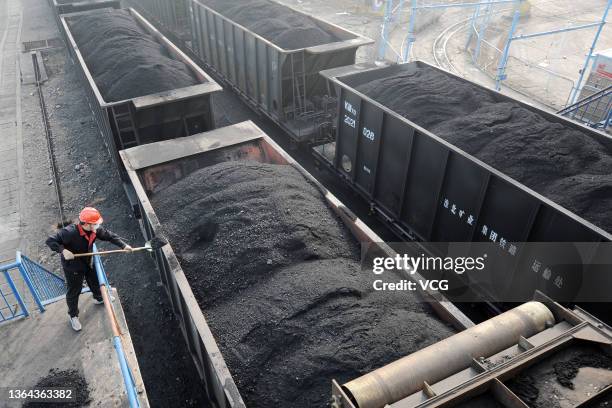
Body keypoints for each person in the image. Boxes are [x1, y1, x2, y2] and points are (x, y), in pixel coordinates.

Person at [46, 207, 132, 332]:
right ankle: (73, 315)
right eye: (95, 223)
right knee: (74, 291)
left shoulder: (95, 230)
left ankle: (98, 297)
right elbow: (50, 240)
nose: (98, 226)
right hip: (73, 266)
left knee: (94, 280)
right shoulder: (69, 232)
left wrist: (123, 245)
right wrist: (63, 250)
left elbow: (109, 236)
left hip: (88, 261)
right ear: (86, 224)